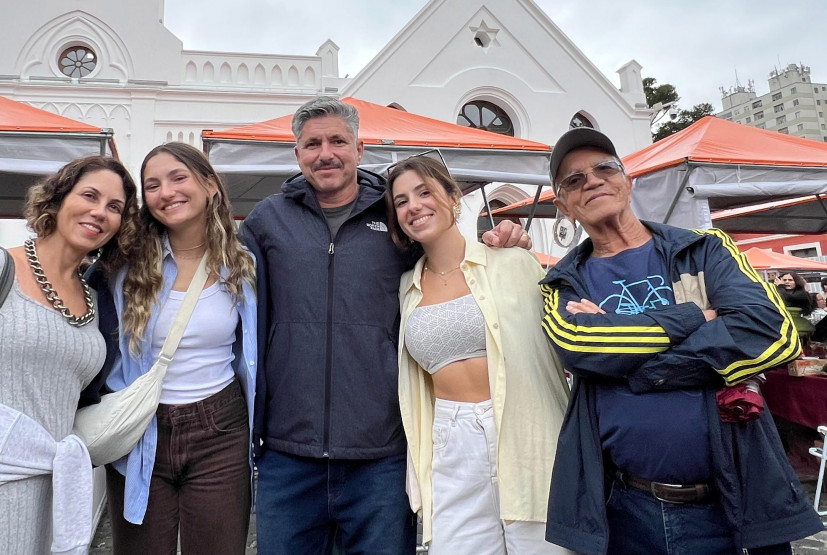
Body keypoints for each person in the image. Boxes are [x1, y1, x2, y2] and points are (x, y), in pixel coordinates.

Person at [240, 96, 529, 554]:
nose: (326, 153)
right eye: (312, 144)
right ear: (297, 154)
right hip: (288, 454)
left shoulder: (394, 217)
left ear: (359, 147)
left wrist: (499, 242)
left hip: (380, 456)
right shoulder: (267, 221)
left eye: (338, 140)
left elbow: (448, 260)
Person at [539, 127, 823, 555]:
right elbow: (580, 347)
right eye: (574, 180)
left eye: (604, 168)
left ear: (627, 180)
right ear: (564, 207)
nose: (592, 180)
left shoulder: (705, 249)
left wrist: (634, 364)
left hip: (731, 500)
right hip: (623, 510)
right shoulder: (564, 280)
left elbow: (772, 334)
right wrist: (698, 316)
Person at [0, 156, 137, 554]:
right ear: (57, 197)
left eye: (114, 207)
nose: (100, 212)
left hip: (49, 493)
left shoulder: (94, 298)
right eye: (89, 195)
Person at [385, 156, 571, 554]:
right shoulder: (404, 286)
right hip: (451, 441)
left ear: (453, 196)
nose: (413, 206)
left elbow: (560, 348)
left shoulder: (513, 261)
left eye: (423, 192)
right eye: (401, 201)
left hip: (527, 431)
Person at [99, 143, 257, 555]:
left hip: (220, 427)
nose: (166, 192)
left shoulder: (244, 264)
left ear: (210, 185)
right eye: (152, 185)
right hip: (139, 427)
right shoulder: (121, 265)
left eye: (178, 178)